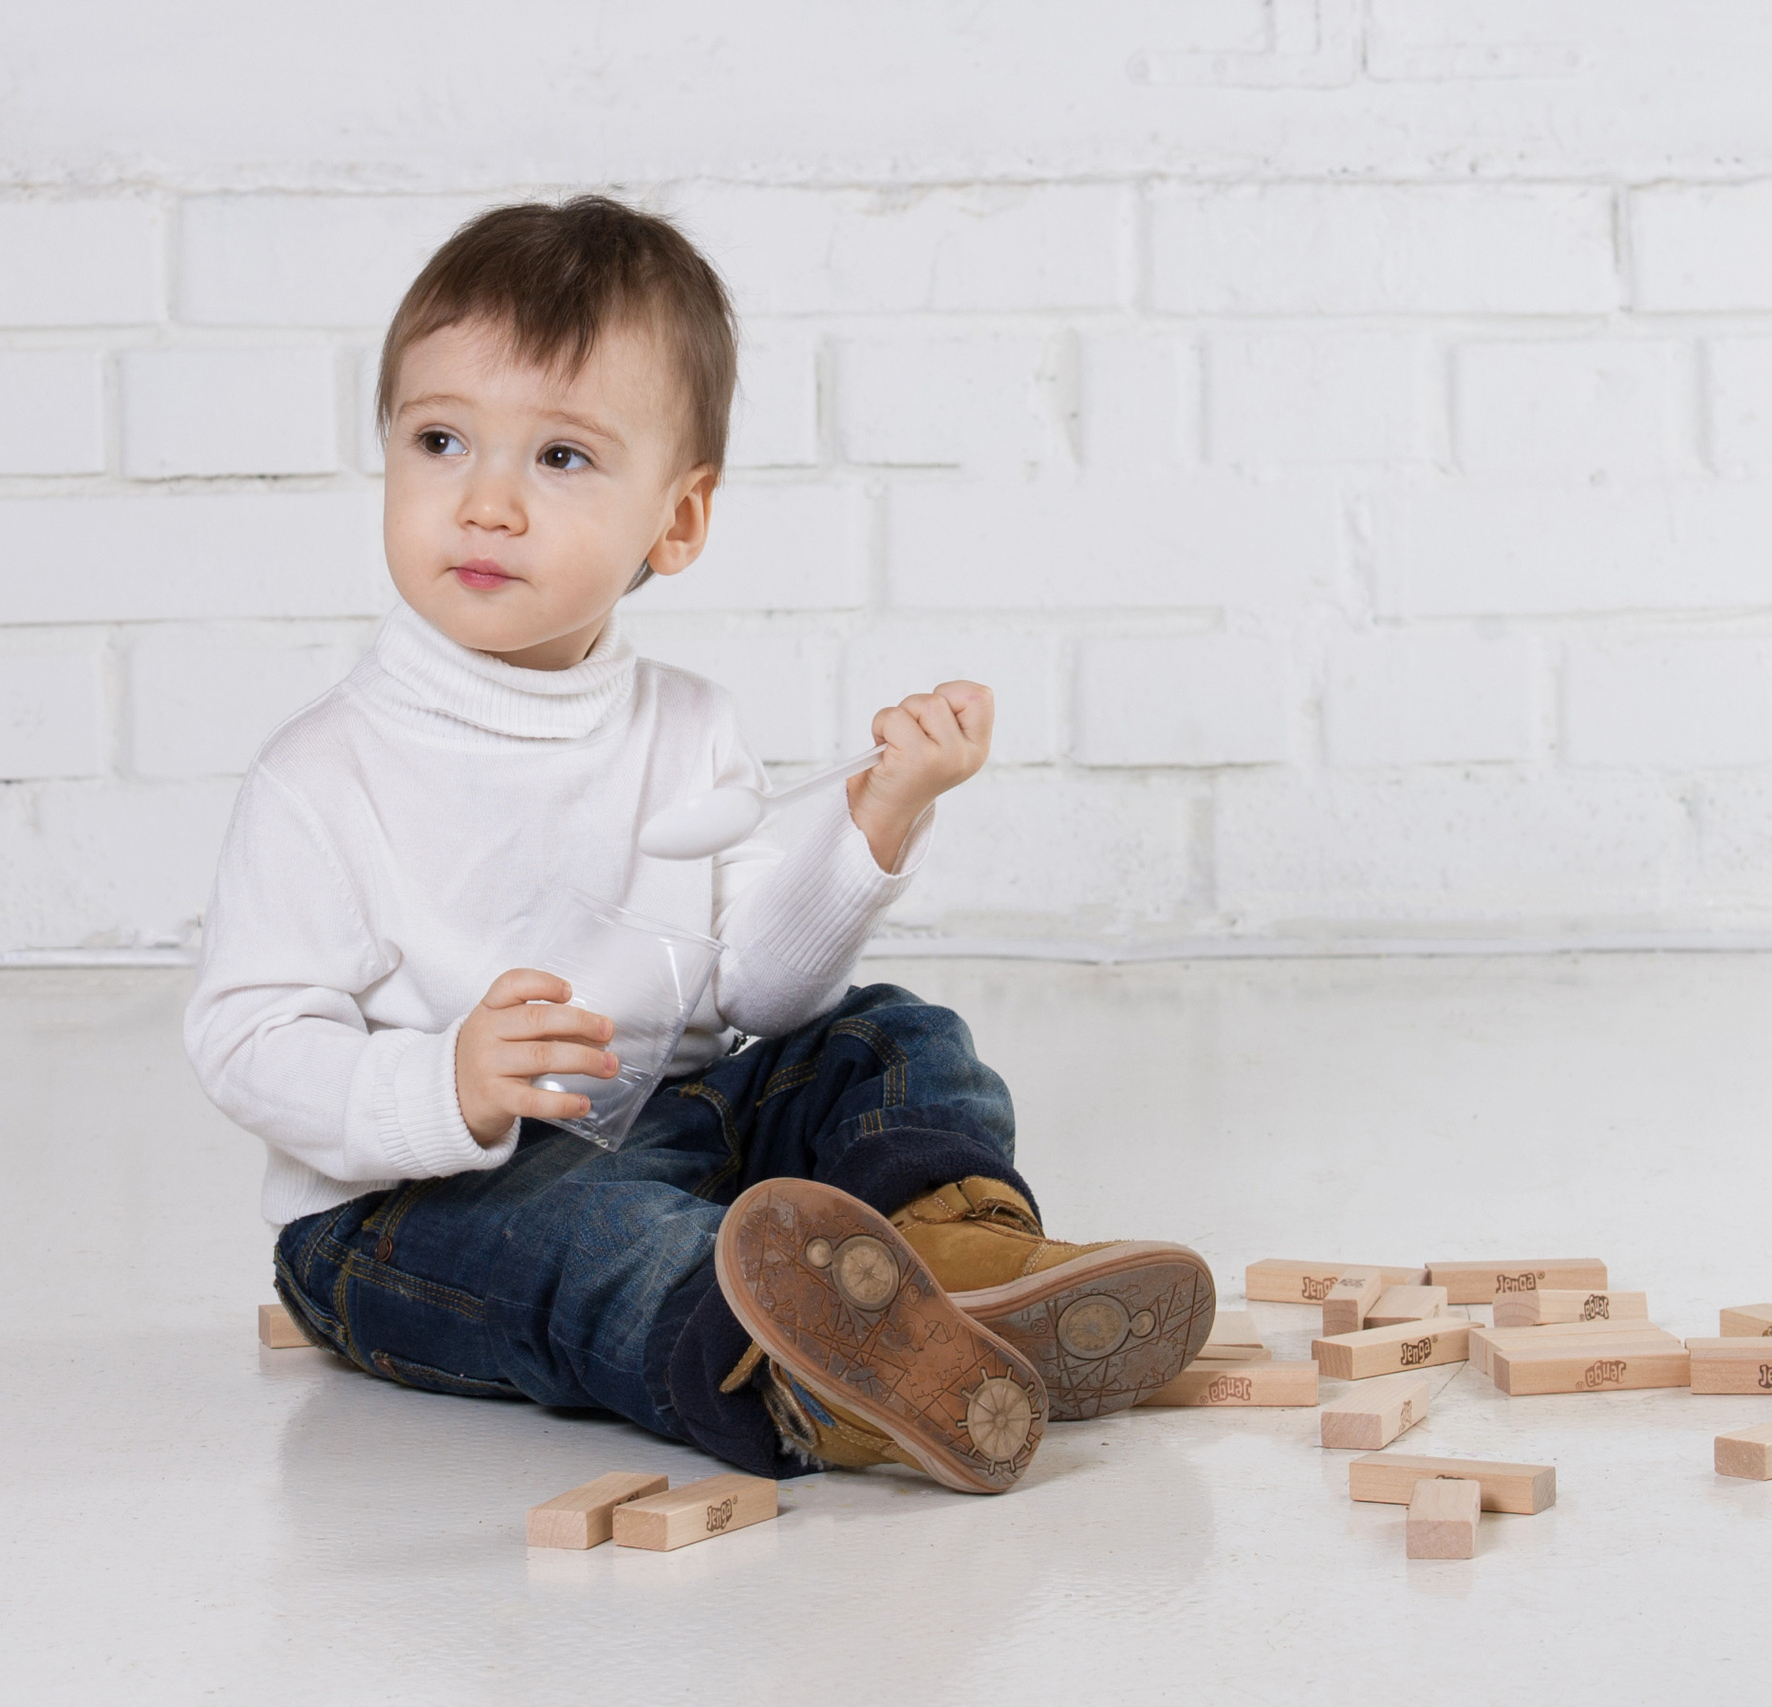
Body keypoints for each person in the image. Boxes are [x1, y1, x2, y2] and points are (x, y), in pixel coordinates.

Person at [183, 196, 1213, 1493]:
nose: (487, 501)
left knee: (884, 1038)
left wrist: (873, 824)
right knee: (591, 1236)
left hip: (664, 1120)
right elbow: (247, 1043)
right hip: (407, 1207)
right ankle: (817, 1373)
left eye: (559, 459)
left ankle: (955, 1262)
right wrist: (447, 1082)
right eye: (441, 440)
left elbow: (752, 992)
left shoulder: (689, 728)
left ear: (676, 520)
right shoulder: (324, 774)